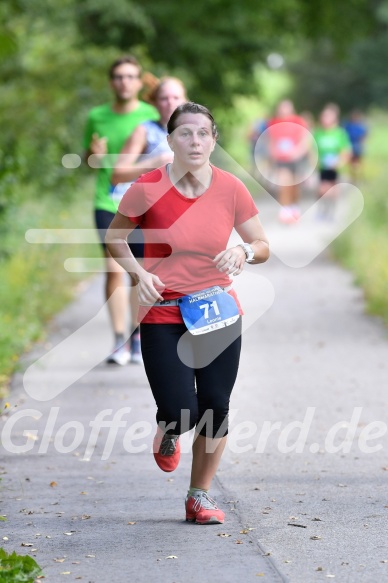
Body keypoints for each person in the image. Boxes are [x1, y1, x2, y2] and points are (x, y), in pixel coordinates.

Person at [105, 102, 269, 525]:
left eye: (203, 133)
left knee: (216, 405)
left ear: (214, 140)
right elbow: (115, 237)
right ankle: (170, 425)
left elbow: (262, 245)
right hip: (162, 310)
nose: (194, 141)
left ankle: (199, 497)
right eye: (185, 133)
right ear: (170, 140)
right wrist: (138, 273)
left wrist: (242, 248)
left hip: (215, 308)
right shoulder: (147, 187)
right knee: (182, 409)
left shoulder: (232, 187)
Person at [83, 55, 159, 365]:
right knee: (113, 268)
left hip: (143, 202)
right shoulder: (97, 116)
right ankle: (118, 341)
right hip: (107, 200)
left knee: (138, 272)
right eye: (118, 76)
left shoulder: (152, 114)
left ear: (139, 82)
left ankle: (135, 336)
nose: (124, 82)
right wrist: (92, 153)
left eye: (130, 76)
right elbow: (90, 161)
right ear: (110, 81)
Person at [111, 77, 188, 185]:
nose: (170, 103)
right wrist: (155, 163)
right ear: (155, 103)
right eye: (164, 98)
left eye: (176, 98)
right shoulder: (144, 131)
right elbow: (117, 175)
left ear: (185, 101)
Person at [266, 99, 311, 223]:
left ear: (291, 109)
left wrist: (297, 152)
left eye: (286, 107)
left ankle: (294, 207)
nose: (284, 110)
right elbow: (271, 141)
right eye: (282, 108)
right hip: (282, 159)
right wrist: (273, 153)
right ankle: (285, 210)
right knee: (284, 183)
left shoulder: (299, 121)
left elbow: (305, 140)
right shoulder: (273, 123)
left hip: (296, 158)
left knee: (294, 185)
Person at [313, 103, 352, 219]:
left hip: (335, 167)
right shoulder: (318, 133)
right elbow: (312, 149)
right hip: (322, 167)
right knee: (322, 190)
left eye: (328, 116)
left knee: (332, 190)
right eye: (324, 116)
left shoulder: (340, 133)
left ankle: (330, 212)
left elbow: (346, 151)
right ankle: (323, 209)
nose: (325, 119)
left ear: (335, 118)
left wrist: (340, 162)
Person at [343, 109, 368, 183]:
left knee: (356, 162)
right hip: (352, 145)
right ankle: (355, 177)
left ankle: (356, 177)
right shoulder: (350, 125)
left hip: (356, 145)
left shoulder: (357, 126)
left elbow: (363, 136)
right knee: (353, 163)